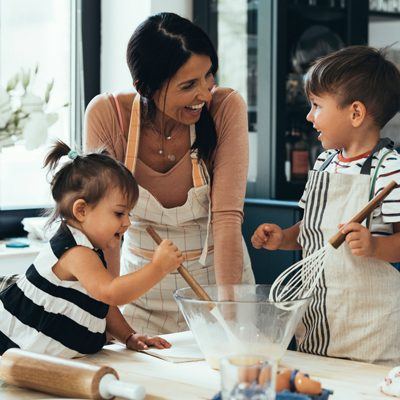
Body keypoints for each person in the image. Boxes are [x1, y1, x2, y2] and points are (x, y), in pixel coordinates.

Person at [85, 12, 255, 336]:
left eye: (208, 77)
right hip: (141, 294)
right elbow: (106, 231)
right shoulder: (108, 116)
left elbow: (227, 219)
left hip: (218, 289)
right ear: (144, 87)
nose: (205, 94)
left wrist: (231, 320)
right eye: (189, 85)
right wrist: (113, 320)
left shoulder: (224, 108)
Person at [252, 46, 400, 365]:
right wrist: (283, 238)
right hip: (316, 321)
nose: (309, 116)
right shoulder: (324, 162)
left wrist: (375, 245)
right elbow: (312, 229)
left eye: (317, 105)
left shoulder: (389, 169)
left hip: (369, 331)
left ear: (355, 113)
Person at [0, 140, 183, 357]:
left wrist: (128, 336)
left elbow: (102, 303)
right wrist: (158, 268)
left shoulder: (89, 249)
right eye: (119, 213)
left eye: (129, 214)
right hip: (14, 353)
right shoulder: (75, 252)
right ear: (81, 211)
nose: (127, 223)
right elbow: (111, 293)